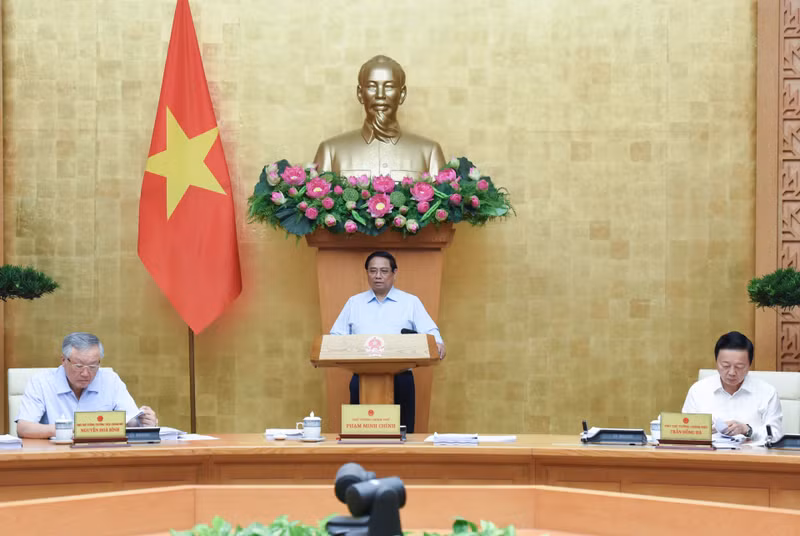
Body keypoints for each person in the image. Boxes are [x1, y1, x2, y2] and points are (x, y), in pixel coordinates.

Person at [330, 251, 446, 433]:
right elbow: (335, 337)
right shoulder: (354, 303)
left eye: (384, 271)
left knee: (402, 436)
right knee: (362, 436)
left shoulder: (410, 302)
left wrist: (437, 343)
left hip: (401, 379)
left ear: (394, 273)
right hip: (362, 379)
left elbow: (431, 332)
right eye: (373, 271)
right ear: (367, 273)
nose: (378, 276)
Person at [313, 55, 446, 180]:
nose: (380, 95)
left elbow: (443, 202)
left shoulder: (429, 153)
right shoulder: (330, 151)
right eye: (372, 86)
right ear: (360, 93)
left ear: (402, 94)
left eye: (389, 86)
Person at [15, 332, 158, 438]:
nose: (85, 373)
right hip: (56, 457)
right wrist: (69, 429)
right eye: (78, 366)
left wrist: (143, 422)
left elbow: (130, 421)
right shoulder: (41, 382)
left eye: (93, 366)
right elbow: (24, 428)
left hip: (102, 457)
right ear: (63, 360)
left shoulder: (110, 380)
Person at [682, 331, 782, 442]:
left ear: (749, 364)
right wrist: (703, 431)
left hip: (752, 457)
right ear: (716, 362)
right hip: (710, 456)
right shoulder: (698, 391)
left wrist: (747, 430)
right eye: (726, 365)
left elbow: (776, 435)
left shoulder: (767, 392)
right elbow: (685, 432)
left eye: (739, 366)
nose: (732, 372)